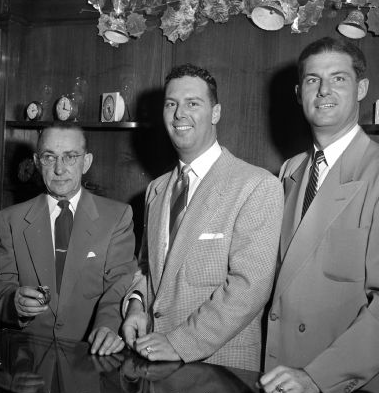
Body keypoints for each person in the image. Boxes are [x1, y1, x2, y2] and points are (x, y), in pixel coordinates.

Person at [261, 37, 379, 393]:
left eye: (338, 78)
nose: (324, 90)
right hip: (282, 375)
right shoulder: (290, 170)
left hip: (350, 388)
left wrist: (316, 377)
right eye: (312, 80)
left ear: (362, 89)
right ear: (298, 92)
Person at [121, 63, 283, 371]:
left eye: (193, 103)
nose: (179, 114)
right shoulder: (156, 190)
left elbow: (250, 286)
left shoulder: (257, 185)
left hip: (220, 367)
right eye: (171, 104)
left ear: (216, 112)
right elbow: (147, 267)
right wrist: (136, 305)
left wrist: (179, 343)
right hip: (153, 361)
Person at [0, 122, 136, 355]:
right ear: (37, 162)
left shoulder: (117, 217)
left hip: (91, 356)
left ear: (86, 162)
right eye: (50, 157)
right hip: (28, 360)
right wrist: (13, 303)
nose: (59, 169)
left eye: (70, 157)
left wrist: (107, 327)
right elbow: (0, 288)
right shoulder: (10, 220)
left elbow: (119, 284)